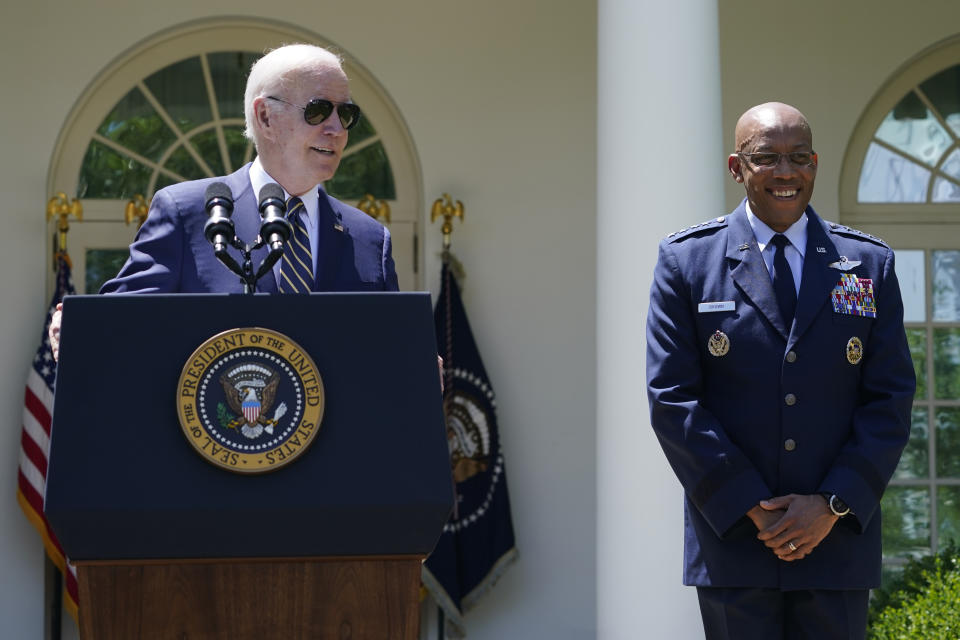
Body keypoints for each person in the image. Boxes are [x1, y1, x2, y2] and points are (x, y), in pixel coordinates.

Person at [645, 102, 915, 639]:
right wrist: (752, 505)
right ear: (735, 167)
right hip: (737, 545)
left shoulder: (867, 264)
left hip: (836, 542)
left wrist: (832, 504)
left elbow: (890, 398)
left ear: (815, 164)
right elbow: (672, 399)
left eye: (799, 158)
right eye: (766, 157)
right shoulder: (688, 263)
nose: (786, 173)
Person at [49, 43, 398, 358]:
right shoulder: (187, 213)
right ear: (265, 117)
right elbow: (119, 324)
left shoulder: (369, 239)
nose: (336, 129)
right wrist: (80, 330)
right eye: (319, 111)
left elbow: (389, 349)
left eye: (346, 114)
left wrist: (410, 359)